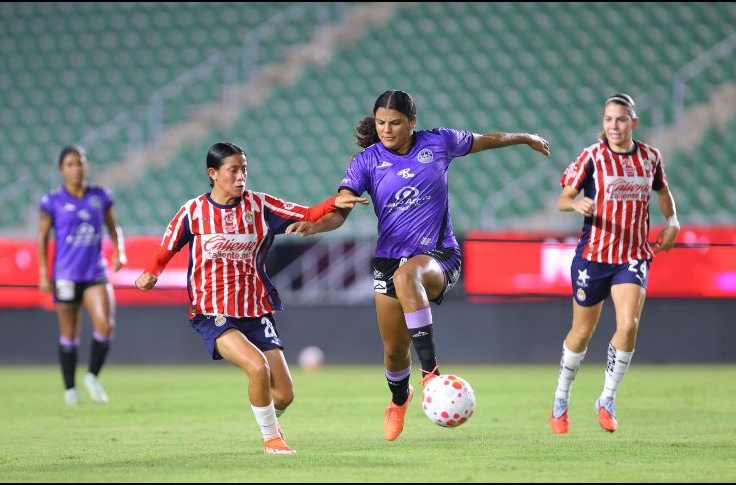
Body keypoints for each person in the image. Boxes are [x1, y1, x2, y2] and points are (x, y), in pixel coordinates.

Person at [286, 90, 550, 441]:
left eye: (395, 123)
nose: (386, 129)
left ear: (412, 122)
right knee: (394, 352)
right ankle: (399, 399)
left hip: (439, 254)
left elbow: (487, 140)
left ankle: (430, 374)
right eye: (381, 122)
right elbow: (341, 211)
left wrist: (525, 137)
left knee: (407, 275)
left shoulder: (439, 142)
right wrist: (317, 225)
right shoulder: (366, 162)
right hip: (389, 259)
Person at [134, 142, 367, 455]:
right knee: (257, 368)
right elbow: (166, 247)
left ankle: (268, 420)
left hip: (255, 310)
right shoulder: (193, 212)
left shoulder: (261, 206)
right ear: (213, 173)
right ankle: (272, 440)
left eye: (244, 169)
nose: (241, 176)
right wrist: (150, 273)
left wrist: (334, 201)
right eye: (233, 170)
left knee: (284, 395)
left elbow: (307, 213)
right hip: (212, 311)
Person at [549, 93, 680, 434]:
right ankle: (561, 397)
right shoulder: (592, 156)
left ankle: (607, 398)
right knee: (582, 332)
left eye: (620, 119)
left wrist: (673, 220)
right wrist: (575, 204)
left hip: (632, 256)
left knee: (628, 324)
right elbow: (563, 198)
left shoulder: (650, 157)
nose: (614, 125)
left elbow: (662, 191)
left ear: (633, 122)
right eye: (608, 119)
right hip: (593, 257)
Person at [38, 145, 127, 406]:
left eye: (80, 163)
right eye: (70, 164)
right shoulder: (52, 201)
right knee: (69, 334)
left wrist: (119, 251)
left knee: (105, 325)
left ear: (86, 166)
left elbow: (113, 227)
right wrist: (43, 273)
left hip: (95, 273)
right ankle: (70, 389)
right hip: (66, 275)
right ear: (61, 169)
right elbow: (42, 237)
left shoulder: (101, 195)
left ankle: (92, 376)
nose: (76, 168)